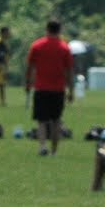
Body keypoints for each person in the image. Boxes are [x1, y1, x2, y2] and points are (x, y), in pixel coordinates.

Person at [25, 19, 74, 157]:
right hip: (58, 89)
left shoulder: (37, 45)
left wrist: (28, 83)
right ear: (60, 30)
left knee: (41, 120)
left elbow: (30, 67)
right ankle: (54, 150)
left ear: (47, 29)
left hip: (41, 87)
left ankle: (42, 146)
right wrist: (71, 90)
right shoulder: (65, 48)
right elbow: (69, 71)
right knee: (56, 120)